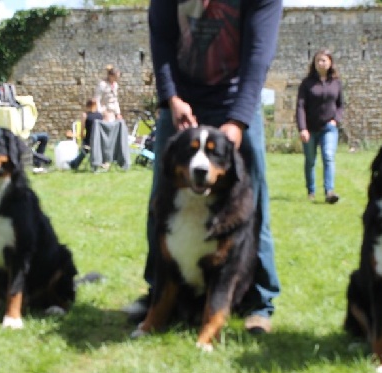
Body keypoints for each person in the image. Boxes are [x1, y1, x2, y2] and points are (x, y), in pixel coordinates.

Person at [122, 0, 283, 334]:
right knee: (162, 204)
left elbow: (258, 54)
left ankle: (259, 303)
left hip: (236, 97)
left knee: (253, 205)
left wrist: (238, 119)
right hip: (182, 98)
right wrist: (171, 98)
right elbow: (162, 39)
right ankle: (158, 294)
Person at [295, 49, 344, 204]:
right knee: (310, 161)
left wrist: (336, 120)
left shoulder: (336, 83)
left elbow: (341, 105)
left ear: (330, 62)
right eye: (318, 60)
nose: (321, 63)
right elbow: (300, 106)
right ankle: (311, 190)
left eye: (324, 60)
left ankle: (329, 191)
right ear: (314, 64)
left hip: (329, 127)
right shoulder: (307, 84)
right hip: (310, 128)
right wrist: (302, 128)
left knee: (328, 157)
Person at [69, 98, 103, 170]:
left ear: (87, 106)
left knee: (85, 148)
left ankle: (74, 163)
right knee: (86, 148)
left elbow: (81, 132)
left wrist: (79, 137)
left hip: (89, 142)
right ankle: (74, 163)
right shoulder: (100, 116)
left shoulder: (85, 115)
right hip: (99, 143)